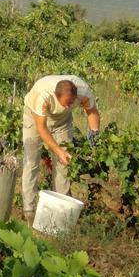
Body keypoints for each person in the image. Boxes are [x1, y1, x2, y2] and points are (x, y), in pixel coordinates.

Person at [21, 74, 101, 220]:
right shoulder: (42, 95)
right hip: (35, 119)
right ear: (56, 97)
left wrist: (94, 132)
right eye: (64, 104)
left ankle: (61, 211)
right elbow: (41, 127)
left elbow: (92, 112)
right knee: (31, 162)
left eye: (71, 103)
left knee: (64, 163)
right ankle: (29, 210)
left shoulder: (84, 91)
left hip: (62, 122)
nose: (68, 107)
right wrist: (58, 151)